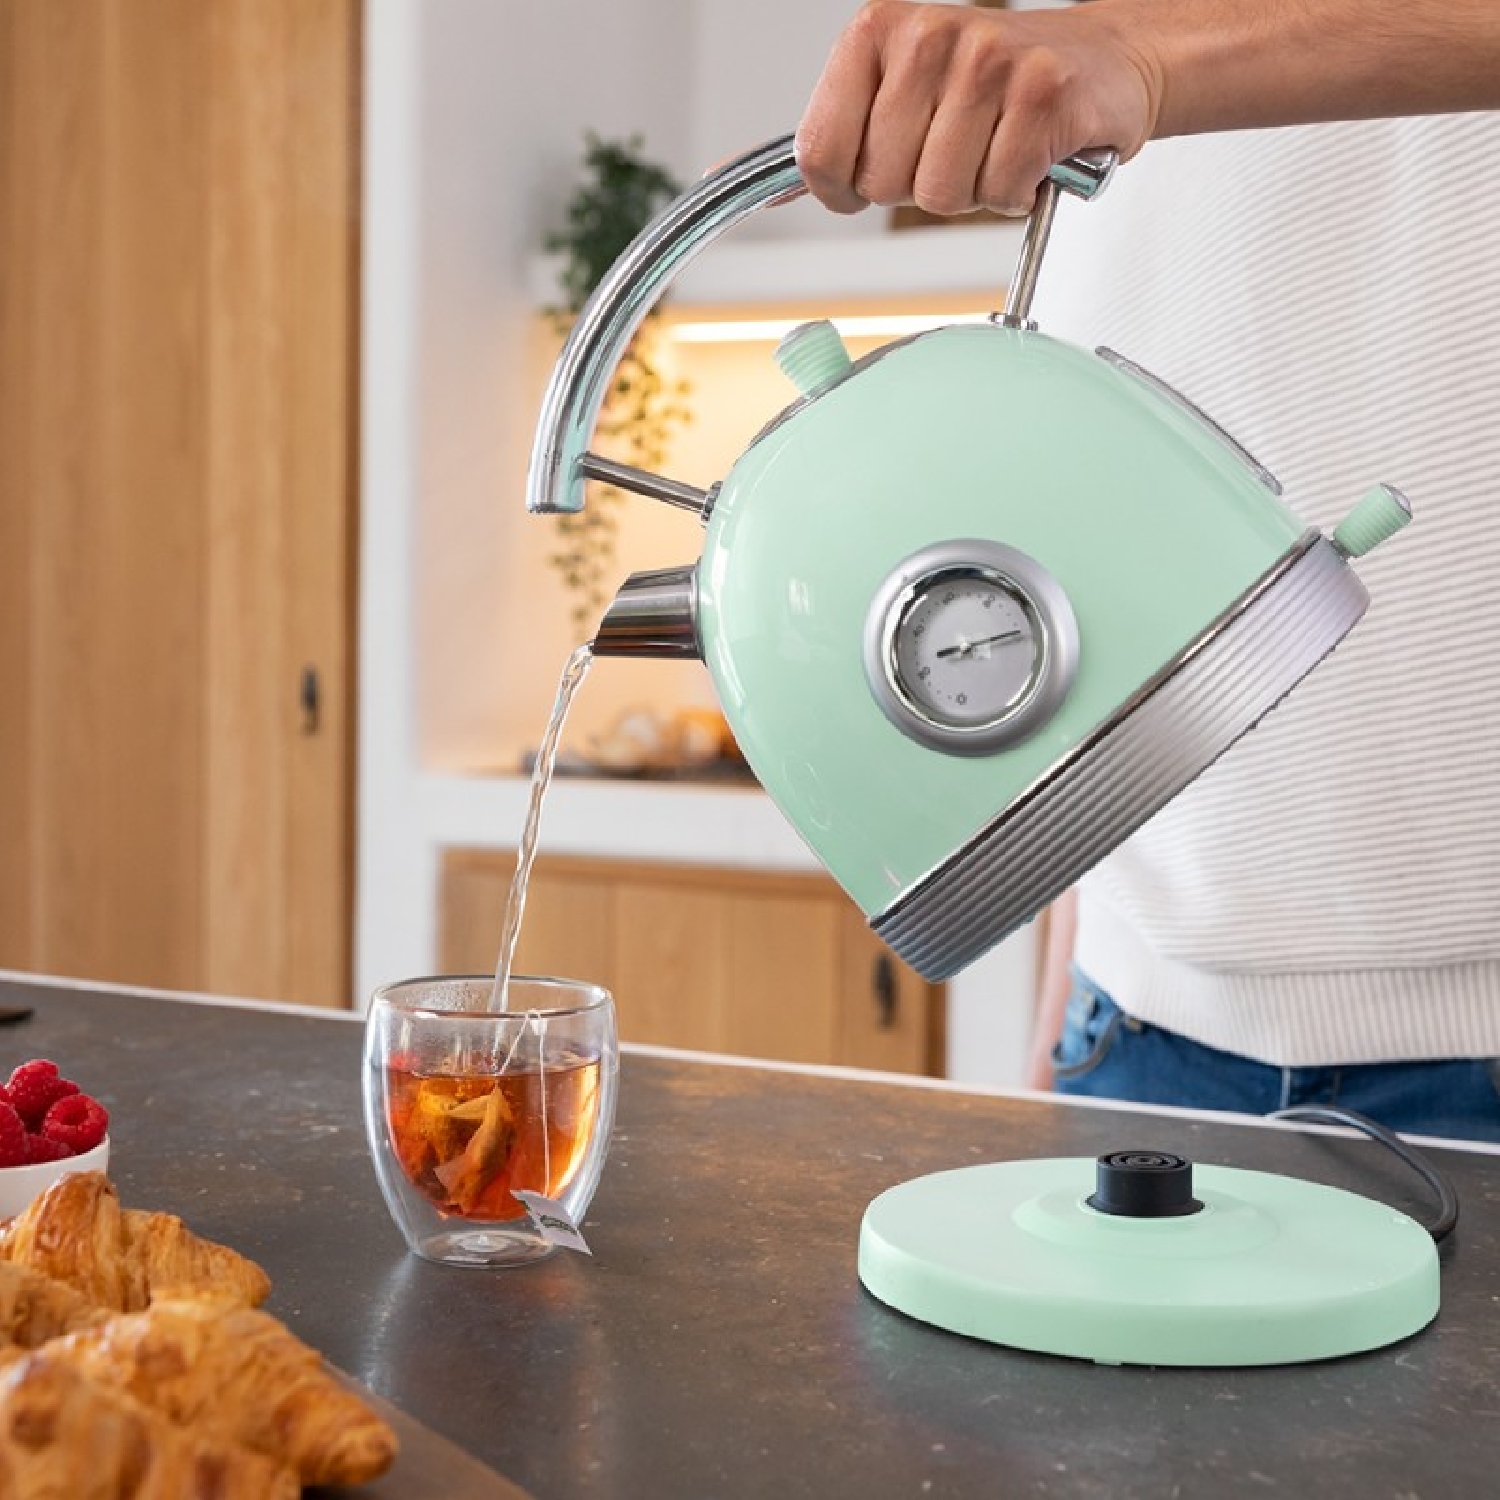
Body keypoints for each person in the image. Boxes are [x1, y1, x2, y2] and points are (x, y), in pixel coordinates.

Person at [796, 1, 1500, 1141]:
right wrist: (1072, 976)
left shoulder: (1128, 47)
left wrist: (1139, 52)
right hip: (1129, 1027)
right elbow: (1096, 574)